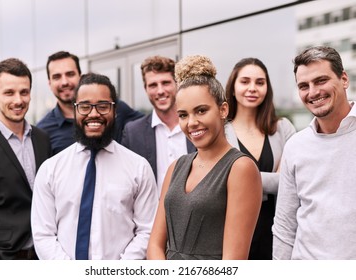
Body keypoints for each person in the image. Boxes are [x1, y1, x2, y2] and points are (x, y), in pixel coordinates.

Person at [31, 73, 158, 260]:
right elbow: (44, 235)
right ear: (75, 111)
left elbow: (147, 230)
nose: (93, 114)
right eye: (84, 106)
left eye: (103, 106)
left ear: (115, 111)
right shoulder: (50, 170)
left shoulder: (138, 168)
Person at [147, 55, 262, 260]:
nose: (191, 122)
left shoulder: (240, 168)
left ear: (223, 109)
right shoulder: (176, 167)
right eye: (183, 115)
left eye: (201, 111)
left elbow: (233, 261)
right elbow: (155, 244)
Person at [273, 46, 356, 259]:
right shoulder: (295, 146)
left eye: (321, 81)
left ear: (344, 79)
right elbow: (284, 225)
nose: (313, 92)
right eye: (303, 86)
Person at [0, 58, 51, 259]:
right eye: (9, 93)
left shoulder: (42, 139)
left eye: (24, 92)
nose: (18, 100)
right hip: (4, 257)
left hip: (44, 255)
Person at [224, 58, 296, 259]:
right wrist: (274, 180)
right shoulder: (220, 132)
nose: (252, 88)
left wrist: (243, 179)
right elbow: (221, 181)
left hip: (278, 230)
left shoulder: (283, 128)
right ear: (233, 87)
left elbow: (292, 181)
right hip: (234, 232)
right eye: (245, 81)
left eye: (260, 82)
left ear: (267, 88)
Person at [37, 51, 143, 154]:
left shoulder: (113, 108)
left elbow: (149, 127)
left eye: (70, 74)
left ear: (80, 76)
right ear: (49, 83)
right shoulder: (42, 131)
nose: (64, 82)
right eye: (57, 77)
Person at [121, 55, 196, 195]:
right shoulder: (133, 133)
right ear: (146, 89)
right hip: (153, 215)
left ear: (177, 84)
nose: (160, 91)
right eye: (153, 85)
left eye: (166, 83)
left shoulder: (197, 125)